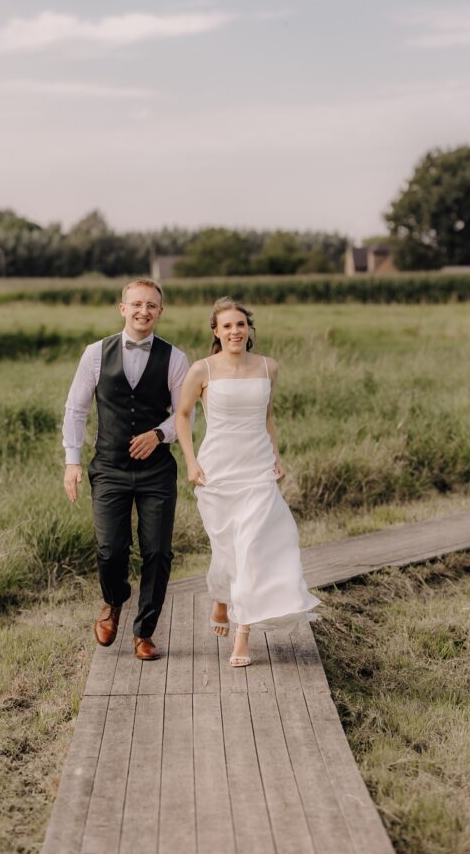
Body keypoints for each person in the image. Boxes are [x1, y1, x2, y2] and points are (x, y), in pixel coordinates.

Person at [175, 297, 319, 667]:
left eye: (240, 325)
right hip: (217, 470)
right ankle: (221, 600)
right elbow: (184, 415)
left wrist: (276, 456)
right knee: (228, 546)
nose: (235, 331)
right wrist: (191, 462)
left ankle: (243, 631)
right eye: (227, 326)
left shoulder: (268, 367)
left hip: (257, 468)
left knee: (255, 545)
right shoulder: (202, 369)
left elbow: (267, 417)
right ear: (216, 332)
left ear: (248, 329)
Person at [63, 278, 189, 661]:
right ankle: (114, 600)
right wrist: (72, 461)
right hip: (110, 468)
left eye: (151, 305)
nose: (143, 311)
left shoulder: (176, 358)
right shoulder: (95, 353)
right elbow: (76, 408)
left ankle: (144, 632)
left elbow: (184, 415)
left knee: (157, 552)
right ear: (123, 308)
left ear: (160, 312)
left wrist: (159, 434)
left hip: (156, 472)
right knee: (109, 548)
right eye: (136, 304)